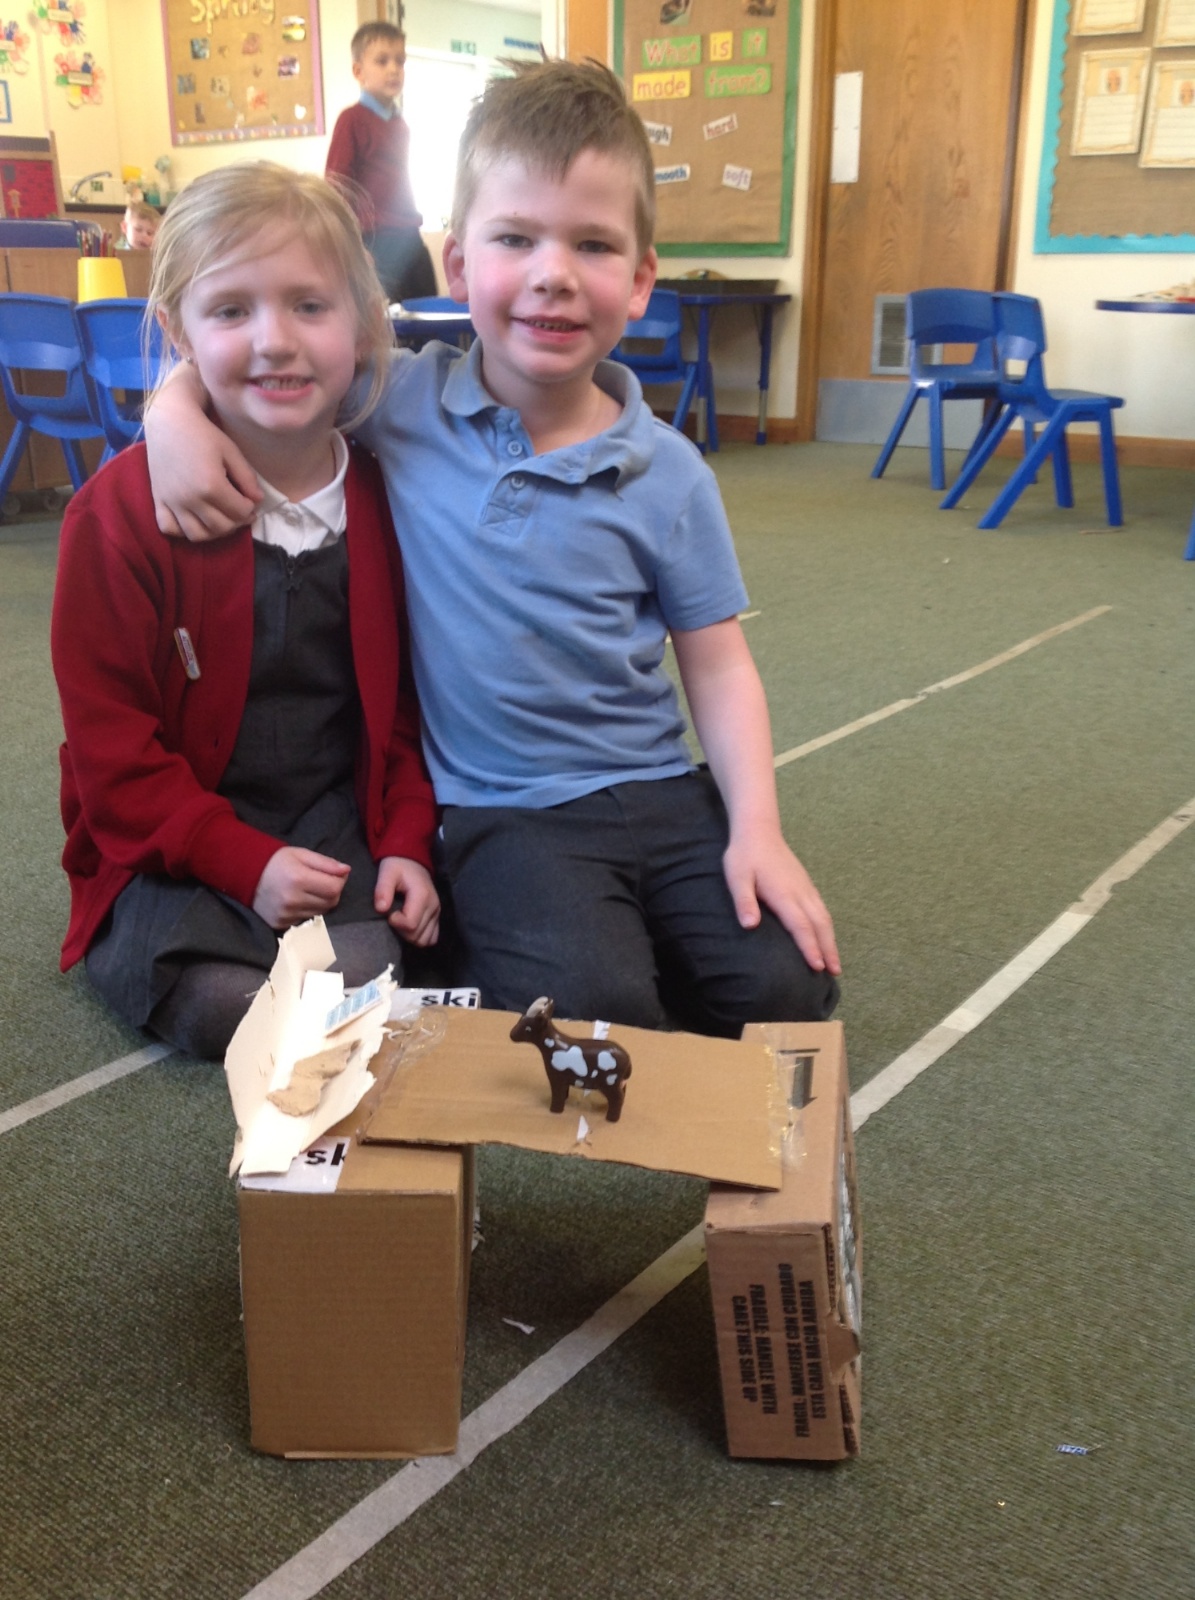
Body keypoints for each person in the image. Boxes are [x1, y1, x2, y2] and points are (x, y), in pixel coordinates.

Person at [144, 61, 841, 1039]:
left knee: (784, 995)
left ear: (640, 280)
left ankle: (601, 938)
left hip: (658, 787)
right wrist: (170, 408)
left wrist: (756, 830)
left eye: (592, 244)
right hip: (503, 809)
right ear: (459, 264)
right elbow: (277, 365)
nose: (553, 273)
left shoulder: (671, 473)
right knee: (596, 1013)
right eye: (515, 239)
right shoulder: (402, 400)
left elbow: (719, 667)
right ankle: (520, 939)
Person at [52, 163, 439, 1061]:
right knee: (222, 1003)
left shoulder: (389, 496)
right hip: (170, 838)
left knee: (371, 963)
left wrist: (407, 841)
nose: (275, 341)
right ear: (176, 329)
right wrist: (241, 861)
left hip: (330, 820)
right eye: (230, 310)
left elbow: (406, 712)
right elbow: (111, 752)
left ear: (361, 320)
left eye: (309, 305)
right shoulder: (114, 518)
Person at [325, 21, 437, 305]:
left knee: (425, 304)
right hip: (374, 236)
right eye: (382, 61)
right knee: (382, 313)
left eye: (400, 61)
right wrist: (350, 241)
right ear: (358, 71)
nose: (394, 69)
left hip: (408, 231)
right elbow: (337, 185)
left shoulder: (400, 124)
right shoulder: (352, 120)